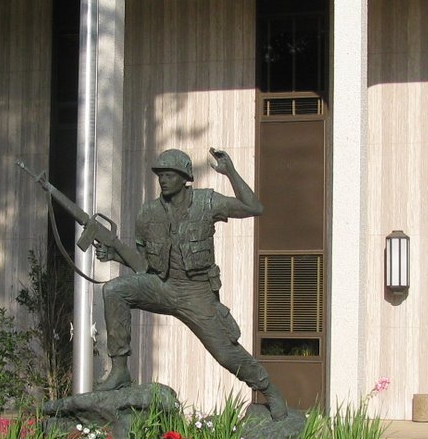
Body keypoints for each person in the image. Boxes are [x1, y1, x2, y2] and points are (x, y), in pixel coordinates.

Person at [95, 147, 290, 420]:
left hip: (196, 292)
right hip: (162, 286)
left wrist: (230, 172)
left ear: (185, 177)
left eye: (169, 174)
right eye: (160, 175)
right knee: (114, 290)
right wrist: (114, 254)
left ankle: (268, 389)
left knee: (226, 354)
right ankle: (119, 370)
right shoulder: (148, 213)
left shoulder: (206, 202)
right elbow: (143, 263)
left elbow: (253, 207)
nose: (163, 180)